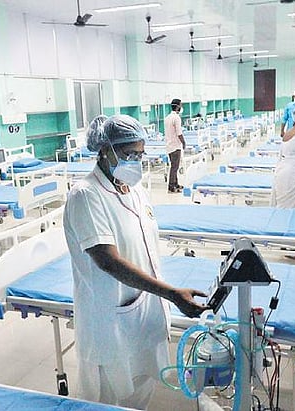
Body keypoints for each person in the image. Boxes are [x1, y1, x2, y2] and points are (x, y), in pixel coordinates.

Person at [63, 114, 207, 409]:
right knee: (106, 400)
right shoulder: (86, 195)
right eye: (130, 154)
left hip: (143, 313)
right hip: (109, 320)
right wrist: (171, 293)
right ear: (106, 150)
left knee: (140, 392)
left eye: (140, 155)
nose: (136, 162)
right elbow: (109, 262)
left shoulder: (135, 189)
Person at [164, 98, 186, 193]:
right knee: (174, 167)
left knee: (174, 166)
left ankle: (176, 184)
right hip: (175, 146)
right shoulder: (176, 118)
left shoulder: (167, 117)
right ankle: (171, 186)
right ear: (177, 107)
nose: (181, 107)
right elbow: (179, 133)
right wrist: (183, 142)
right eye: (181, 105)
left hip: (169, 145)